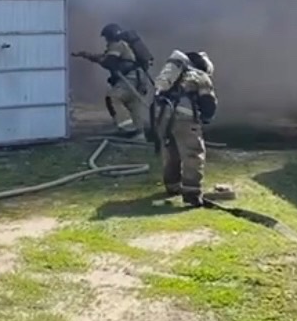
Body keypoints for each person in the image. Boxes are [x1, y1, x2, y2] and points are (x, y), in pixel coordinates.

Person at [152, 49, 218, 207]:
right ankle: (191, 193)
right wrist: (206, 118)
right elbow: (208, 102)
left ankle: (172, 186)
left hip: (163, 118)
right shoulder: (200, 76)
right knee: (193, 155)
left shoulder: (176, 75)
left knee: (171, 152)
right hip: (185, 120)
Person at [72, 23, 150, 138]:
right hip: (139, 78)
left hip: (130, 78)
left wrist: (98, 60)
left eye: (106, 38)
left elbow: (109, 61)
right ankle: (139, 133)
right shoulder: (125, 44)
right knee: (132, 103)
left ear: (110, 36)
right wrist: (86, 55)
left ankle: (127, 127)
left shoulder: (117, 44)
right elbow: (106, 57)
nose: (106, 41)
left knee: (113, 97)